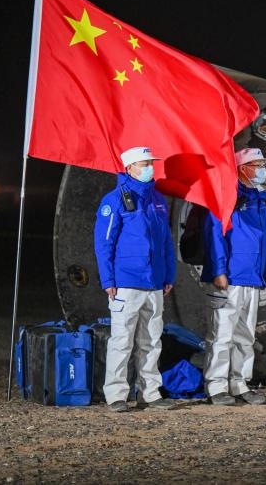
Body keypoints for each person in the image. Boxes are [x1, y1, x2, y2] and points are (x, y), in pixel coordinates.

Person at [94, 146, 177, 412]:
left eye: (151, 163)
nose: (150, 168)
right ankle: (116, 395)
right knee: (122, 340)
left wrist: (169, 275)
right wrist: (108, 280)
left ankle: (150, 393)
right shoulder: (114, 200)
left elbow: (166, 242)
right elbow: (104, 243)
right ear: (129, 168)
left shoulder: (158, 199)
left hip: (154, 283)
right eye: (144, 164)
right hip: (126, 283)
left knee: (151, 340)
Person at [200, 147, 266, 406]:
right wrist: (219, 270)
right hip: (229, 279)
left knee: (245, 336)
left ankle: (239, 384)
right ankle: (216, 387)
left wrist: (264, 273)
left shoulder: (259, 200)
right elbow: (215, 235)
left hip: (252, 279)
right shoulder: (225, 197)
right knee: (221, 335)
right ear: (243, 168)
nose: (263, 169)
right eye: (258, 164)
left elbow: (263, 242)